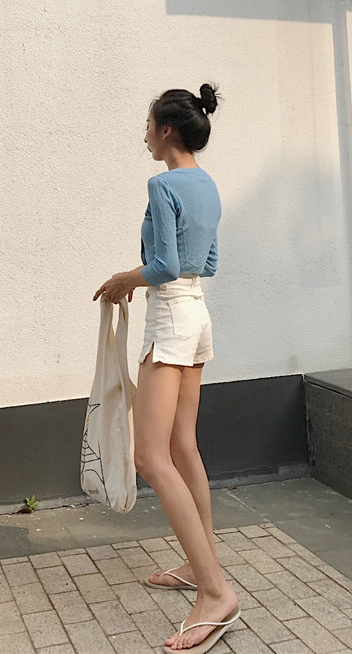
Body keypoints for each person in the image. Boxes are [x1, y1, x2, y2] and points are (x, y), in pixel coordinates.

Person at [93, 84, 239, 653]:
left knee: (150, 458)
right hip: (197, 315)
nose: (145, 136)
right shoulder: (208, 185)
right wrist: (145, 274)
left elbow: (165, 265)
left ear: (167, 130)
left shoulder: (163, 184)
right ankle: (200, 565)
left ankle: (214, 592)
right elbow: (206, 263)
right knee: (182, 446)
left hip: (172, 322)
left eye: (149, 126)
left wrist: (127, 279)